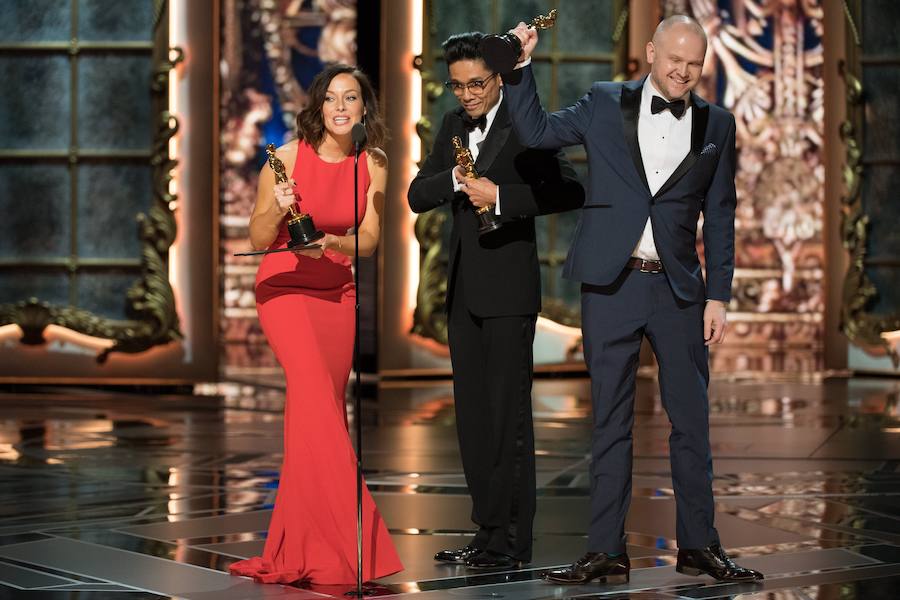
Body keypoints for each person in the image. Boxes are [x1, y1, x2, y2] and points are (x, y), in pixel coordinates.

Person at [500, 16, 763, 584]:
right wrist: (520, 69)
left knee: (691, 423)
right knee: (610, 423)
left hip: (679, 291)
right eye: (674, 59)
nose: (682, 72)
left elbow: (721, 214)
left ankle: (699, 545)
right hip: (611, 285)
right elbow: (538, 133)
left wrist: (719, 295)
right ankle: (605, 550)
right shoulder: (603, 101)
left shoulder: (718, 123)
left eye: (694, 64)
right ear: (650, 52)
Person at [408, 33, 584, 570]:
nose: (467, 95)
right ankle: (485, 534)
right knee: (473, 420)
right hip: (464, 294)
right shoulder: (451, 125)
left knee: (509, 421)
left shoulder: (525, 125)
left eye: (476, 84)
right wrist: (455, 178)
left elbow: (569, 190)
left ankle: (511, 542)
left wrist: (501, 197)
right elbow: (417, 195)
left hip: (509, 294)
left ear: (498, 78)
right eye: (458, 86)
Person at [228, 64, 402, 585]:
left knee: (319, 415)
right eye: (331, 98)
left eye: (350, 98)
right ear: (318, 106)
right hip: (285, 289)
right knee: (317, 407)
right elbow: (259, 236)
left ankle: (300, 547)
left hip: (336, 291)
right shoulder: (285, 158)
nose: (340, 107)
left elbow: (370, 239)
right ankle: (357, 545)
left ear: (364, 107)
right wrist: (278, 211)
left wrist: (332, 244)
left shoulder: (373, 162)